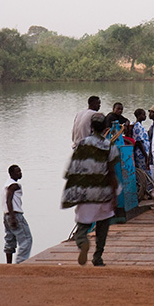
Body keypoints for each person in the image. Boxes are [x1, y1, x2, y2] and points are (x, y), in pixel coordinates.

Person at [61, 113, 120, 267]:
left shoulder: (82, 144)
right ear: (104, 128)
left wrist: (73, 192)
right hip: (103, 191)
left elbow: (74, 169)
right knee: (103, 225)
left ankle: (82, 242)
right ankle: (98, 257)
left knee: (83, 224)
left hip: (86, 192)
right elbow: (112, 172)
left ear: (91, 127)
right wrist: (114, 196)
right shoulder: (109, 146)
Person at [3, 165, 32, 264]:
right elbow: (8, 200)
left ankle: (9, 264)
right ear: (11, 174)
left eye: (20, 171)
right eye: (17, 172)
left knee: (10, 239)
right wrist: (13, 217)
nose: (20, 173)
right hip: (14, 214)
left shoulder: (6, 184)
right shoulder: (14, 185)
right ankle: (20, 263)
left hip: (6, 214)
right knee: (27, 240)